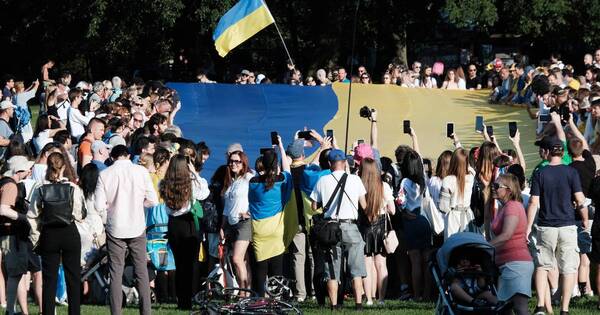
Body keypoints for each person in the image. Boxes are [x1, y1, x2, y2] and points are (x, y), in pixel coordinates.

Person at [526, 136, 589, 315]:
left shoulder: (540, 173)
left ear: (546, 152)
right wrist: (584, 219)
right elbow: (580, 200)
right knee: (568, 268)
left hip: (546, 226)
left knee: (543, 266)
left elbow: (533, 202)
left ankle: (540, 306)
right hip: (567, 225)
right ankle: (565, 308)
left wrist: (528, 226)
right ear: (561, 152)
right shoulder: (571, 172)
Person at [94, 145, 158, 315]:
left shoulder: (105, 174)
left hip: (115, 227)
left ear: (113, 157)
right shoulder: (141, 172)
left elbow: (98, 205)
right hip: (137, 226)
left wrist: (110, 208)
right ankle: (146, 311)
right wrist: (138, 205)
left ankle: (116, 312)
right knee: (141, 272)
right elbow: (153, 200)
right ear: (128, 155)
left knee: (116, 273)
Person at [27, 152, 85, 315]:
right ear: (64, 167)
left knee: (49, 280)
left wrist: (36, 238)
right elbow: (80, 214)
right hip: (69, 233)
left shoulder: (40, 188)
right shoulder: (73, 188)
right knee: (73, 278)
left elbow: (32, 216)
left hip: (49, 234)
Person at [310, 149, 367, 310]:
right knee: (356, 269)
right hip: (350, 226)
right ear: (345, 163)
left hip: (331, 228)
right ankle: (358, 304)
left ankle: (334, 305)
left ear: (329, 164)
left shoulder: (322, 180)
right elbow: (364, 205)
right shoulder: (355, 180)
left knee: (332, 269)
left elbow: (314, 206)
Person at [160, 154, 207, 309]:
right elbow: (204, 193)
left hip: (173, 225)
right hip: (188, 224)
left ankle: (182, 301)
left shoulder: (164, 184)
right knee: (191, 264)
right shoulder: (191, 184)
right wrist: (195, 173)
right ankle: (189, 299)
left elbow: (167, 207)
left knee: (179, 264)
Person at [248, 140, 292, 297]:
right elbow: (287, 170)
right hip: (276, 232)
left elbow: (251, 202)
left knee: (260, 273)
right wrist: (281, 147)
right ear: (276, 166)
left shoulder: (253, 183)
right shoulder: (282, 182)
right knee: (276, 272)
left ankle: (258, 301)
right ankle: (276, 302)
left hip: (259, 232)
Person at [489, 174, 534, 315]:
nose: (493, 188)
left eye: (496, 186)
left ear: (508, 190)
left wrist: (485, 246)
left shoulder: (513, 207)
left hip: (516, 265)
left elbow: (507, 235)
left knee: (520, 308)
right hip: (507, 265)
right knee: (504, 309)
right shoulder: (505, 207)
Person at [358, 157, 395, 306]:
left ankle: (368, 299)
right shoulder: (384, 186)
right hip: (381, 226)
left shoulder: (359, 185)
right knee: (381, 264)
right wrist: (384, 207)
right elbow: (392, 210)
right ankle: (381, 299)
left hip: (365, 227)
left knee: (367, 264)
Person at [0, 156, 34, 315]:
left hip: (7, 233)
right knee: (15, 273)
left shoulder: (3, 182)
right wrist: (23, 218)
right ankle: (10, 310)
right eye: (26, 168)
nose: (29, 170)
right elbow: (3, 209)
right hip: (9, 234)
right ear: (19, 170)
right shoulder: (10, 186)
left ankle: (10, 310)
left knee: (15, 273)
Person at [397, 149, 433, 301]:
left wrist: (403, 211)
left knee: (415, 261)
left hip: (411, 222)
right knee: (426, 260)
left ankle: (417, 294)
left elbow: (400, 201)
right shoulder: (423, 180)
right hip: (424, 221)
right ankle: (427, 294)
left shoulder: (405, 182)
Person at [219, 150, 254, 292]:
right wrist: (222, 226)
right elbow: (227, 208)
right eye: (231, 161)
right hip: (231, 224)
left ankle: (243, 293)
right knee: (243, 261)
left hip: (244, 224)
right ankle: (247, 291)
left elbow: (258, 196)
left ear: (243, 162)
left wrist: (250, 212)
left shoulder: (249, 177)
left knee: (237, 259)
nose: (233, 164)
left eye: (237, 161)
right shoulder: (231, 181)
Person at [439, 148, 475, 240]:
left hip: (453, 218)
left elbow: (443, 207)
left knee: (453, 247)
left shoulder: (447, 180)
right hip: (468, 216)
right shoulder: (471, 177)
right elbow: (470, 168)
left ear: (453, 161)